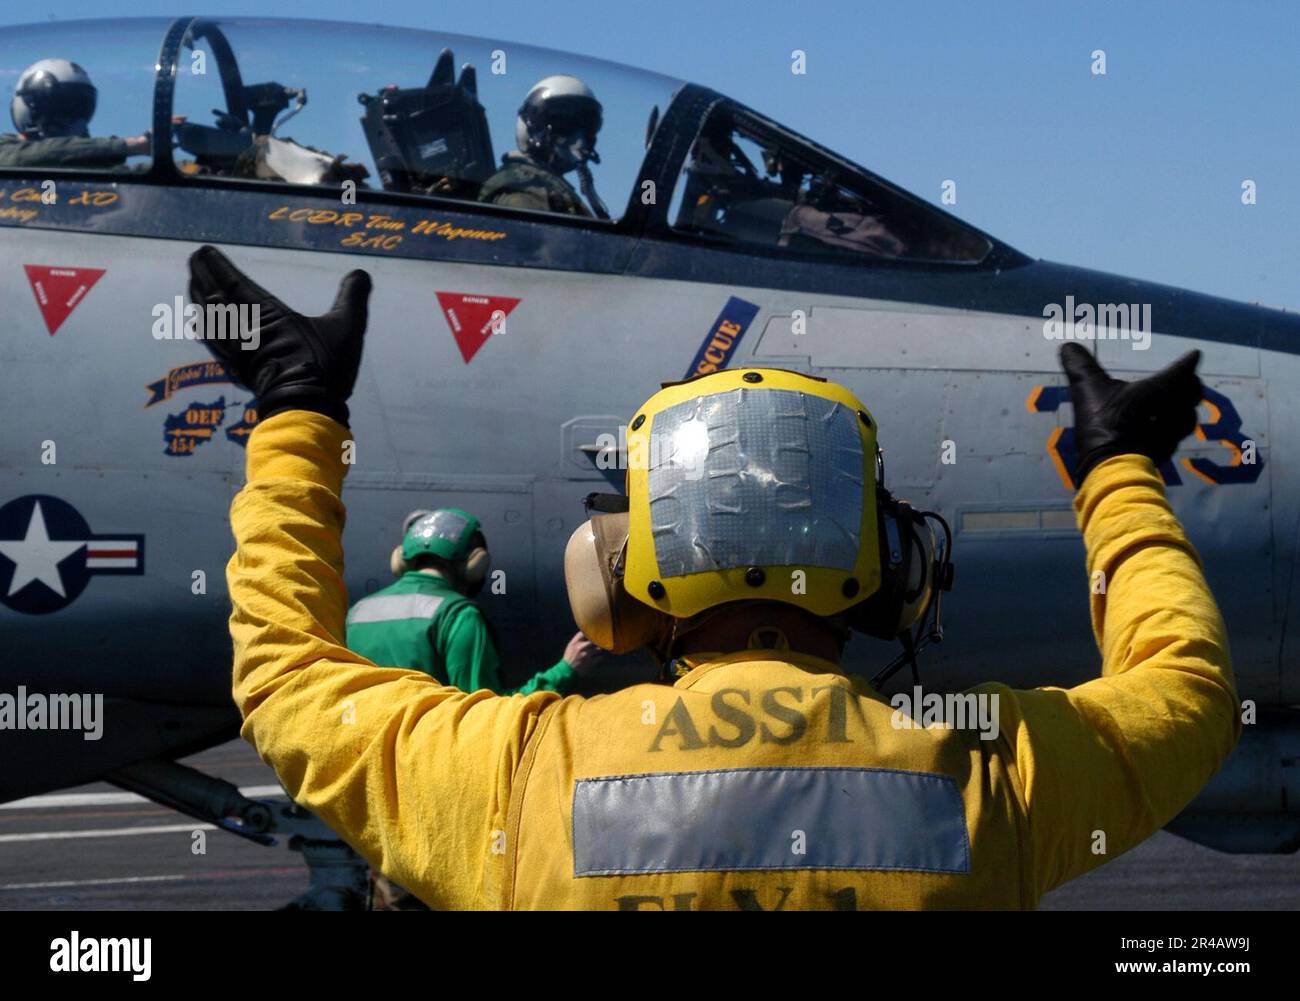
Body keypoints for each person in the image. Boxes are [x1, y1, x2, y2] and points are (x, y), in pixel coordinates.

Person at [191, 244, 1239, 909]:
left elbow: (284, 677)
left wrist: (297, 407)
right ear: (896, 573)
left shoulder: (514, 773)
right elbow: (1185, 689)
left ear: (614, 580)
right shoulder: (993, 772)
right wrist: (1116, 469)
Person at [347, 507, 599, 695]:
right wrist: (566, 670)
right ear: (473, 564)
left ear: (402, 559)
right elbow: (484, 715)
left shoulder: (357, 613)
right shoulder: (458, 616)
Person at [478, 75, 608, 218]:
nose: (580, 139)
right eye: (567, 125)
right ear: (534, 125)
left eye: (587, 128)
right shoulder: (521, 194)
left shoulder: (551, 191)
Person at [0, 59, 149, 168]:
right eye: (58, 108)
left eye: (78, 108)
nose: (70, 118)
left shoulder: (89, 161)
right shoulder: (6, 149)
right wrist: (132, 145)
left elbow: (136, 176)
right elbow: (41, 154)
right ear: (30, 106)